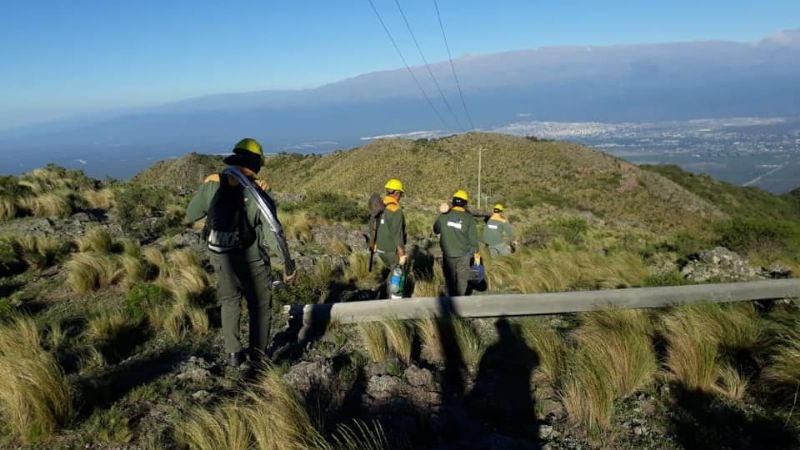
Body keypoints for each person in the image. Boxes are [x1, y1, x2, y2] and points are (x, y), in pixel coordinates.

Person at [184, 137, 294, 368]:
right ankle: (258, 356)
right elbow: (273, 235)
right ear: (257, 164)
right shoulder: (258, 194)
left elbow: (191, 214)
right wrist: (288, 265)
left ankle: (234, 354)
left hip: (220, 255)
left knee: (229, 301)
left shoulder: (214, 184)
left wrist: (206, 185)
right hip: (251, 259)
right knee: (260, 305)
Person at [433, 190, 480, 296]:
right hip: (464, 255)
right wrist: (476, 254)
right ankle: (460, 300)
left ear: (453, 202)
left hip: (448, 254)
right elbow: (473, 239)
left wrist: (442, 214)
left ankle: (451, 300)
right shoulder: (469, 218)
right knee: (462, 279)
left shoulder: (444, 215)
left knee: (450, 279)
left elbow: (436, 229)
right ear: (465, 203)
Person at [373, 178, 407, 298]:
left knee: (392, 272)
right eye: (401, 194)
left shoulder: (379, 206)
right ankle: (395, 302)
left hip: (380, 249)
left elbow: (373, 225)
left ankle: (385, 293)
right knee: (399, 275)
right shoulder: (395, 210)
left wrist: (375, 244)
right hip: (391, 250)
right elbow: (397, 234)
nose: (401, 196)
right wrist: (402, 253)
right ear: (397, 193)